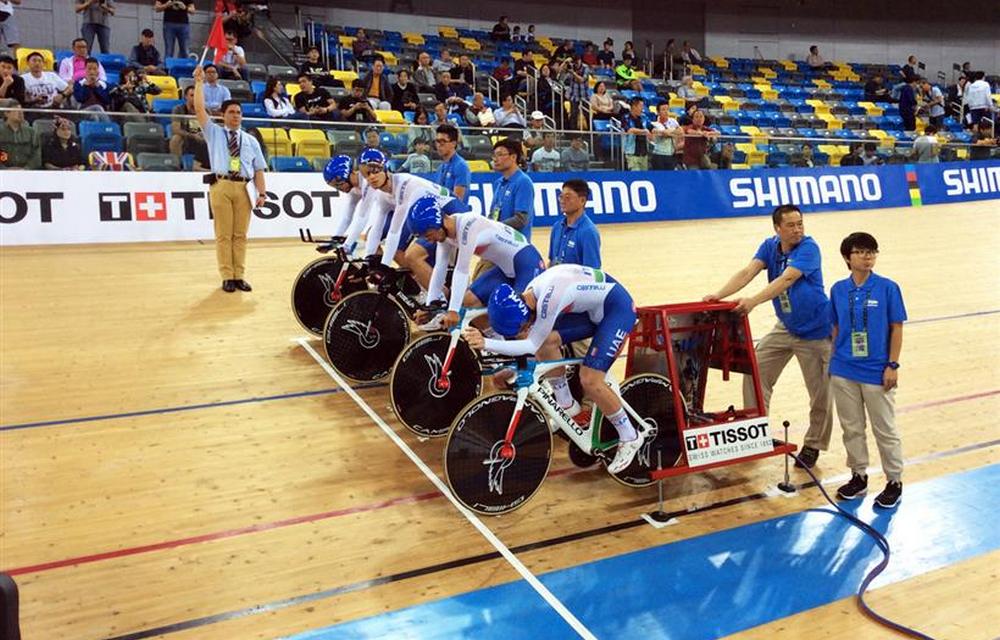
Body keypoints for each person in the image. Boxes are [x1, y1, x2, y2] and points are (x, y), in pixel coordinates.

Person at [462, 265, 646, 474]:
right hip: (593, 311)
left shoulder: (550, 300)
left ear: (526, 316)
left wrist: (486, 343)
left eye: (522, 328)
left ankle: (630, 436)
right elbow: (533, 342)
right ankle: (566, 404)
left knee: (589, 379)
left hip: (617, 310)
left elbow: (529, 345)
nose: (525, 331)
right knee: (546, 342)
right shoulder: (529, 295)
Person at [703, 204, 833, 469]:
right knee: (756, 370)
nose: (797, 229)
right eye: (791, 225)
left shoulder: (809, 248)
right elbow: (747, 272)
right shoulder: (769, 246)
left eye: (800, 223)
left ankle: (814, 445)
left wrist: (753, 302)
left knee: (820, 393)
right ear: (777, 229)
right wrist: (720, 294)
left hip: (816, 332)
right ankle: (756, 431)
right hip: (786, 326)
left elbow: (786, 280)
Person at [830, 232, 907, 509]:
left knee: (884, 429)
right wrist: (833, 360)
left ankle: (894, 481)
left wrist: (892, 365)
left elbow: (896, 328)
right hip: (843, 369)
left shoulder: (887, 287)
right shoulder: (838, 289)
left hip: (876, 371)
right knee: (851, 428)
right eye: (861, 252)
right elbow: (836, 326)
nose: (868, 257)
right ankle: (858, 476)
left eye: (872, 252)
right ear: (847, 258)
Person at [408, 196, 546, 331]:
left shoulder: (468, 225)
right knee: (468, 301)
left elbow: (461, 270)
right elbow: (440, 268)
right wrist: (430, 305)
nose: (429, 240)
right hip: (505, 269)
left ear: (438, 224)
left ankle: (524, 351)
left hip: (527, 263)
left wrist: (453, 311)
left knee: (517, 319)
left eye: (428, 234)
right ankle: (494, 344)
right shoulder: (444, 235)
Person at [193, 64, 267, 293]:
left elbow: (259, 170)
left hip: (244, 188)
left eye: (238, 112)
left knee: (240, 235)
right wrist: (198, 83)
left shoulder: (251, 140)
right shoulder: (214, 132)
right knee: (224, 234)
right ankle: (227, 275)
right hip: (222, 184)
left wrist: (262, 193)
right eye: (231, 112)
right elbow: (199, 110)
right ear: (223, 115)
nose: (235, 116)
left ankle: (239, 275)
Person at [360, 149, 470, 293]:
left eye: (375, 171)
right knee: (393, 248)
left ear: (386, 169)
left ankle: (438, 293)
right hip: (425, 214)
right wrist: (368, 261)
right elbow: (377, 228)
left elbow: (395, 230)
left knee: (412, 254)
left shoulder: (403, 185)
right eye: (367, 174)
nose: (372, 177)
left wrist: (385, 267)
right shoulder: (382, 194)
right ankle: (420, 281)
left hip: (450, 213)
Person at [549, 179, 600, 268]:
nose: (562, 201)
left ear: (582, 201)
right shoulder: (557, 227)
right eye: (561, 197)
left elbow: (592, 271)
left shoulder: (588, 232)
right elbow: (551, 261)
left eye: (567, 197)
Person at [489, 138, 535, 237]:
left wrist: (494, 227)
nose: (495, 159)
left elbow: (521, 219)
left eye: (500, 155)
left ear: (513, 157)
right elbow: (493, 213)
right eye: (494, 155)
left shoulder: (523, 182)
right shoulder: (498, 183)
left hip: (516, 245)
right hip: (498, 241)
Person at [169, 85, 207, 166]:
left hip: (202, 139)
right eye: (192, 95)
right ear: (186, 97)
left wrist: (203, 134)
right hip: (186, 139)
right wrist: (193, 136)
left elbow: (211, 128)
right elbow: (175, 129)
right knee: (176, 138)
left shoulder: (205, 110)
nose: (195, 98)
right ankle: (177, 165)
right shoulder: (178, 109)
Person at [433, 123, 470, 202]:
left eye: (443, 142)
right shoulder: (440, 168)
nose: (439, 145)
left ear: (453, 143)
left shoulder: (460, 166)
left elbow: (458, 200)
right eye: (437, 141)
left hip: (456, 213)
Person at [650, 102, 681, 170]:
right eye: (663, 109)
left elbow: (680, 132)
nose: (666, 112)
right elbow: (664, 133)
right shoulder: (655, 124)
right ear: (658, 112)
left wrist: (669, 132)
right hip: (659, 155)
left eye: (667, 109)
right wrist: (673, 131)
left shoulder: (673, 121)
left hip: (671, 154)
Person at [621, 97, 650, 170]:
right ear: (634, 106)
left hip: (644, 153)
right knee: (635, 176)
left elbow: (651, 127)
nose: (642, 108)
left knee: (644, 178)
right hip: (632, 153)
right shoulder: (626, 117)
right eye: (641, 106)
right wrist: (644, 131)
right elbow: (630, 130)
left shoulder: (644, 117)